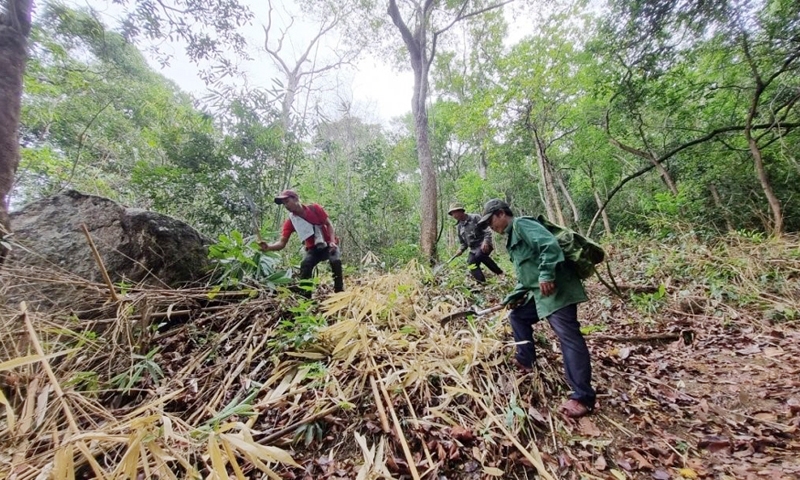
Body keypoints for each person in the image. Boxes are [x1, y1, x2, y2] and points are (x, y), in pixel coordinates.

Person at [477, 198, 596, 418]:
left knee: (568, 338)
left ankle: (583, 397)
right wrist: (510, 298)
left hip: (556, 290)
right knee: (519, 316)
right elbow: (526, 277)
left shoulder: (522, 225)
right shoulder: (513, 239)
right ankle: (526, 360)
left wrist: (546, 274)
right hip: (541, 294)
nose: (490, 227)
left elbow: (549, 245)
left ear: (502, 213)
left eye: (491, 220)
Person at [259, 190, 344, 294]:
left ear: (295, 199)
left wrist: (332, 241)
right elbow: (282, 243)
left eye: (287, 201)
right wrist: (268, 247)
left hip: (328, 244)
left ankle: (339, 291)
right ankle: (305, 296)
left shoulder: (315, 209)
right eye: (284, 203)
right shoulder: (291, 222)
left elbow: (329, 224)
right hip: (313, 249)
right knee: (305, 265)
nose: (286, 205)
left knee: (335, 260)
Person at [447, 202, 503, 283]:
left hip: (485, 244)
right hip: (473, 249)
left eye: (455, 213)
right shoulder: (459, 227)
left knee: (480, 255)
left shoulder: (475, 218)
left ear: (461, 211)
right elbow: (463, 243)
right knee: (471, 263)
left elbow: (487, 230)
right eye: (452, 214)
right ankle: (481, 282)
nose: (454, 216)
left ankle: (499, 273)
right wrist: (460, 250)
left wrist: (485, 241)